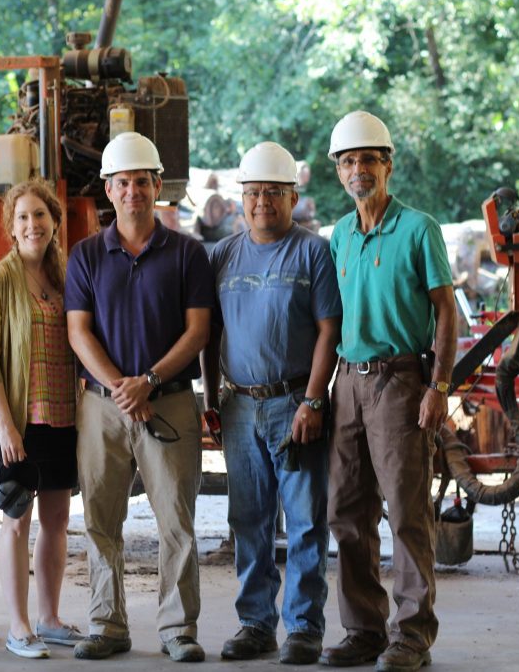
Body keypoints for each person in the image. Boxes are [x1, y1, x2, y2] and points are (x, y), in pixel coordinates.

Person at [65, 131, 213, 663]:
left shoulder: (187, 254)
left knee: (177, 519)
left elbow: (197, 332)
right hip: (102, 407)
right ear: (108, 189)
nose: (134, 191)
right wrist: (122, 388)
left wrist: (147, 380)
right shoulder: (84, 256)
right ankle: (107, 623)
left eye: (143, 182)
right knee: (101, 520)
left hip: (169, 400)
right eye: (123, 182)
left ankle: (178, 628)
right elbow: (79, 332)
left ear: (158, 187)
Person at [321, 111, 457, 672]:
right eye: (349, 162)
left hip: (402, 381)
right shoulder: (340, 235)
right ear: (339, 172)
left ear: (387, 165)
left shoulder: (418, 228)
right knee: (346, 511)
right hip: (347, 382)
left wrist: (439, 385)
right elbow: (331, 321)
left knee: (406, 511)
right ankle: (363, 630)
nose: (359, 171)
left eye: (368, 161)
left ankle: (412, 634)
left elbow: (446, 310)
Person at [201, 142, 341, 665]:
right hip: (238, 407)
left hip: (294, 404)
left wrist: (314, 400)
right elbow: (209, 334)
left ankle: (303, 627)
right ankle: (255, 624)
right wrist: (213, 399)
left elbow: (330, 329)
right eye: (254, 192)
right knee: (249, 519)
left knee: (305, 520)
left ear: (292, 196)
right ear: (241, 197)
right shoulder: (223, 255)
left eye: (274, 193)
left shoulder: (312, 252)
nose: (262, 201)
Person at [0, 180, 83, 660]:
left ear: (54, 222)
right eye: (22, 217)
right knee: (16, 520)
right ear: (10, 227)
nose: (32, 224)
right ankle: (19, 626)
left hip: (61, 414)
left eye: (40, 215)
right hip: (16, 417)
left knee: (57, 520)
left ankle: (50, 617)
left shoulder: (66, 277)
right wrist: (5, 426)